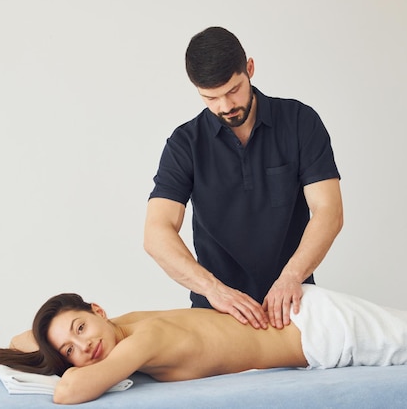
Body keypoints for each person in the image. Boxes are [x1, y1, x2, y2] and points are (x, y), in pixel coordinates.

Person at [0, 284, 407, 405]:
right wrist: (54, 344)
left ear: (97, 311)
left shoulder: (140, 339)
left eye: (81, 329)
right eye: (70, 349)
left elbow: (68, 394)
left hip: (326, 332)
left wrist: (59, 363)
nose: (83, 349)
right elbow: (25, 340)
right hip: (311, 320)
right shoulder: (121, 326)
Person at [144, 26, 344, 331]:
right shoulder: (185, 144)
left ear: (249, 68)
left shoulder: (300, 122)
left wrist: (290, 278)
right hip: (216, 310)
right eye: (210, 98)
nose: (225, 107)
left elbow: (329, 211)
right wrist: (213, 290)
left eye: (233, 90)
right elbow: (156, 233)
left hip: (293, 302)